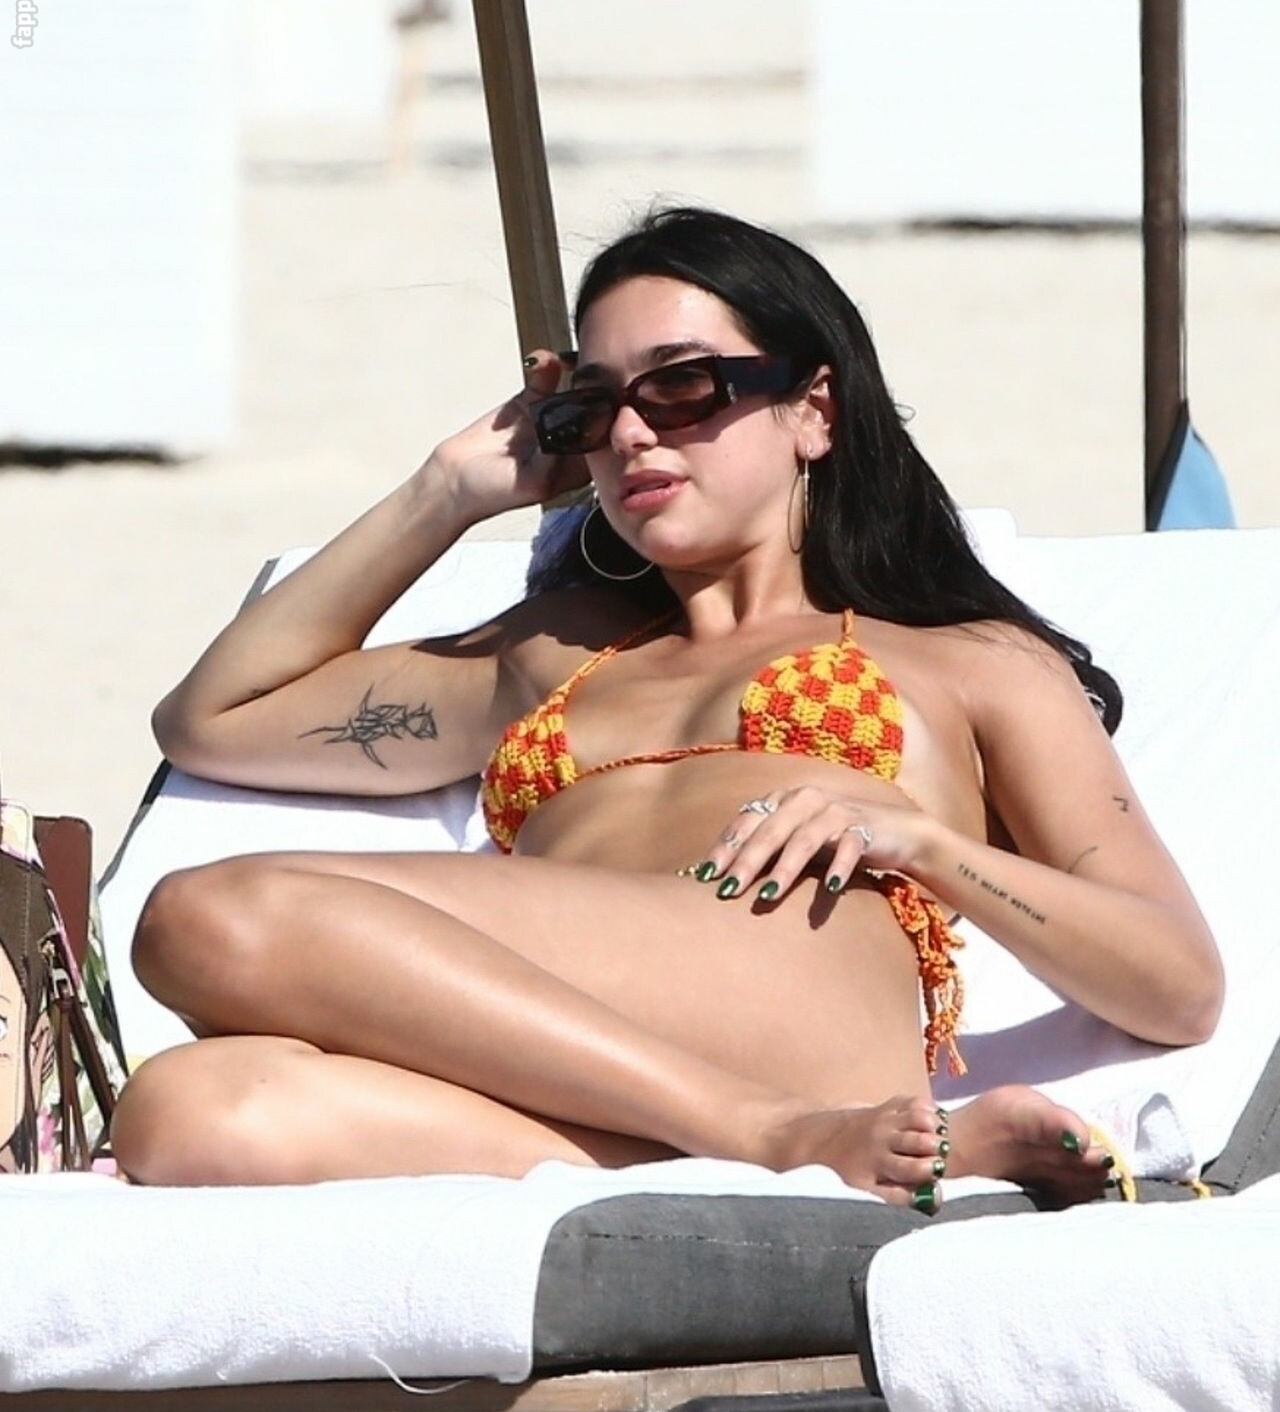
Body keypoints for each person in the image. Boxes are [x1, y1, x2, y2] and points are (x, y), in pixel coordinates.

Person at [111, 207, 1224, 1208]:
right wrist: (446, 492)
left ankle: (774, 1131)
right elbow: (214, 717)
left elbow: (1175, 983)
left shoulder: (965, 660)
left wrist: (923, 843)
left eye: (681, 387)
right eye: (594, 407)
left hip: (797, 1002)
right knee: (191, 1113)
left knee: (210, 916)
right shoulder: (551, 652)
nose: (634, 434)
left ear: (812, 411)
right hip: (610, 1059)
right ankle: (790, 1151)